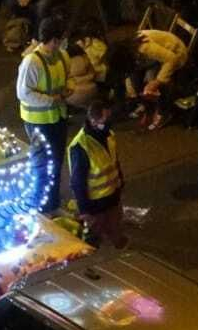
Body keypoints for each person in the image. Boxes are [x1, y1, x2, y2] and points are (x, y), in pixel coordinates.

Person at [18, 16, 70, 211]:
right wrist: (51, 100)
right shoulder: (32, 62)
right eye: (61, 39)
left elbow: (68, 79)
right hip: (38, 121)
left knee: (56, 162)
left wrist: (69, 89)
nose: (64, 43)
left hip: (58, 117)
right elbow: (23, 93)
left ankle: (51, 203)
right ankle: (39, 204)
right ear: (53, 39)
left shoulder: (63, 57)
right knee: (42, 165)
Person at [68, 100, 127, 248]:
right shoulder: (80, 146)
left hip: (113, 195)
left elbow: (114, 161)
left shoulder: (109, 135)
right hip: (95, 204)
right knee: (94, 237)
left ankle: (119, 247)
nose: (108, 123)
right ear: (93, 121)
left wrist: (120, 182)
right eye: (105, 120)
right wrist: (84, 211)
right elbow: (77, 182)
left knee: (116, 228)